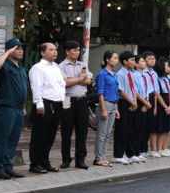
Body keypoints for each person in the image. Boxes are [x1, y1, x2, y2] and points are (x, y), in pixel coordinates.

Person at [28, 42, 66, 173]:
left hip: (56, 103)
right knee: (39, 135)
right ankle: (35, 163)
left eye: (55, 50)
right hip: (44, 103)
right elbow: (36, 87)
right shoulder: (38, 68)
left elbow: (62, 85)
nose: (54, 52)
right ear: (43, 52)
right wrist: (39, 104)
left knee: (50, 135)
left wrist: (64, 102)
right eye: (51, 50)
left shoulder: (56, 67)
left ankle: (45, 161)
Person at [0, 39, 28, 179]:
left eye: (21, 49)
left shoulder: (21, 67)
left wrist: (24, 106)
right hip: (6, 108)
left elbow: (22, 88)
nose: (20, 51)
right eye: (17, 49)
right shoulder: (5, 65)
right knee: (1, 139)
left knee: (13, 140)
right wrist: (7, 52)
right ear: (9, 51)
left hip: (19, 108)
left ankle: (8, 166)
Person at [58, 40, 92, 169]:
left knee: (82, 130)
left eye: (78, 50)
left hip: (82, 98)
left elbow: (88, 80)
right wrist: (79, 80)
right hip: (67, 99)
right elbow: (64, 83)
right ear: (67, 51)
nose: (77, 53)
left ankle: (80, 159)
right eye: (74, 50)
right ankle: (66, 159)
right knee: (66, 130)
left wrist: (76, 80)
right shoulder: (61, 66)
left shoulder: (82, 64)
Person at [93, 50, 120, 167]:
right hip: (106, 103)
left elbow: (116, 92)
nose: (116, 60)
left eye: (117, 58)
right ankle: (98, 158)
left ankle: (103, 157)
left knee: (108, 133)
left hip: (114, 104)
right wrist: (103, 109)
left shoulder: (115, 74)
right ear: (107, 60)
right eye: (114, 58)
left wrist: (117, 109)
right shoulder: (102, 74)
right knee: (102, 133)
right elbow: (100, 93)